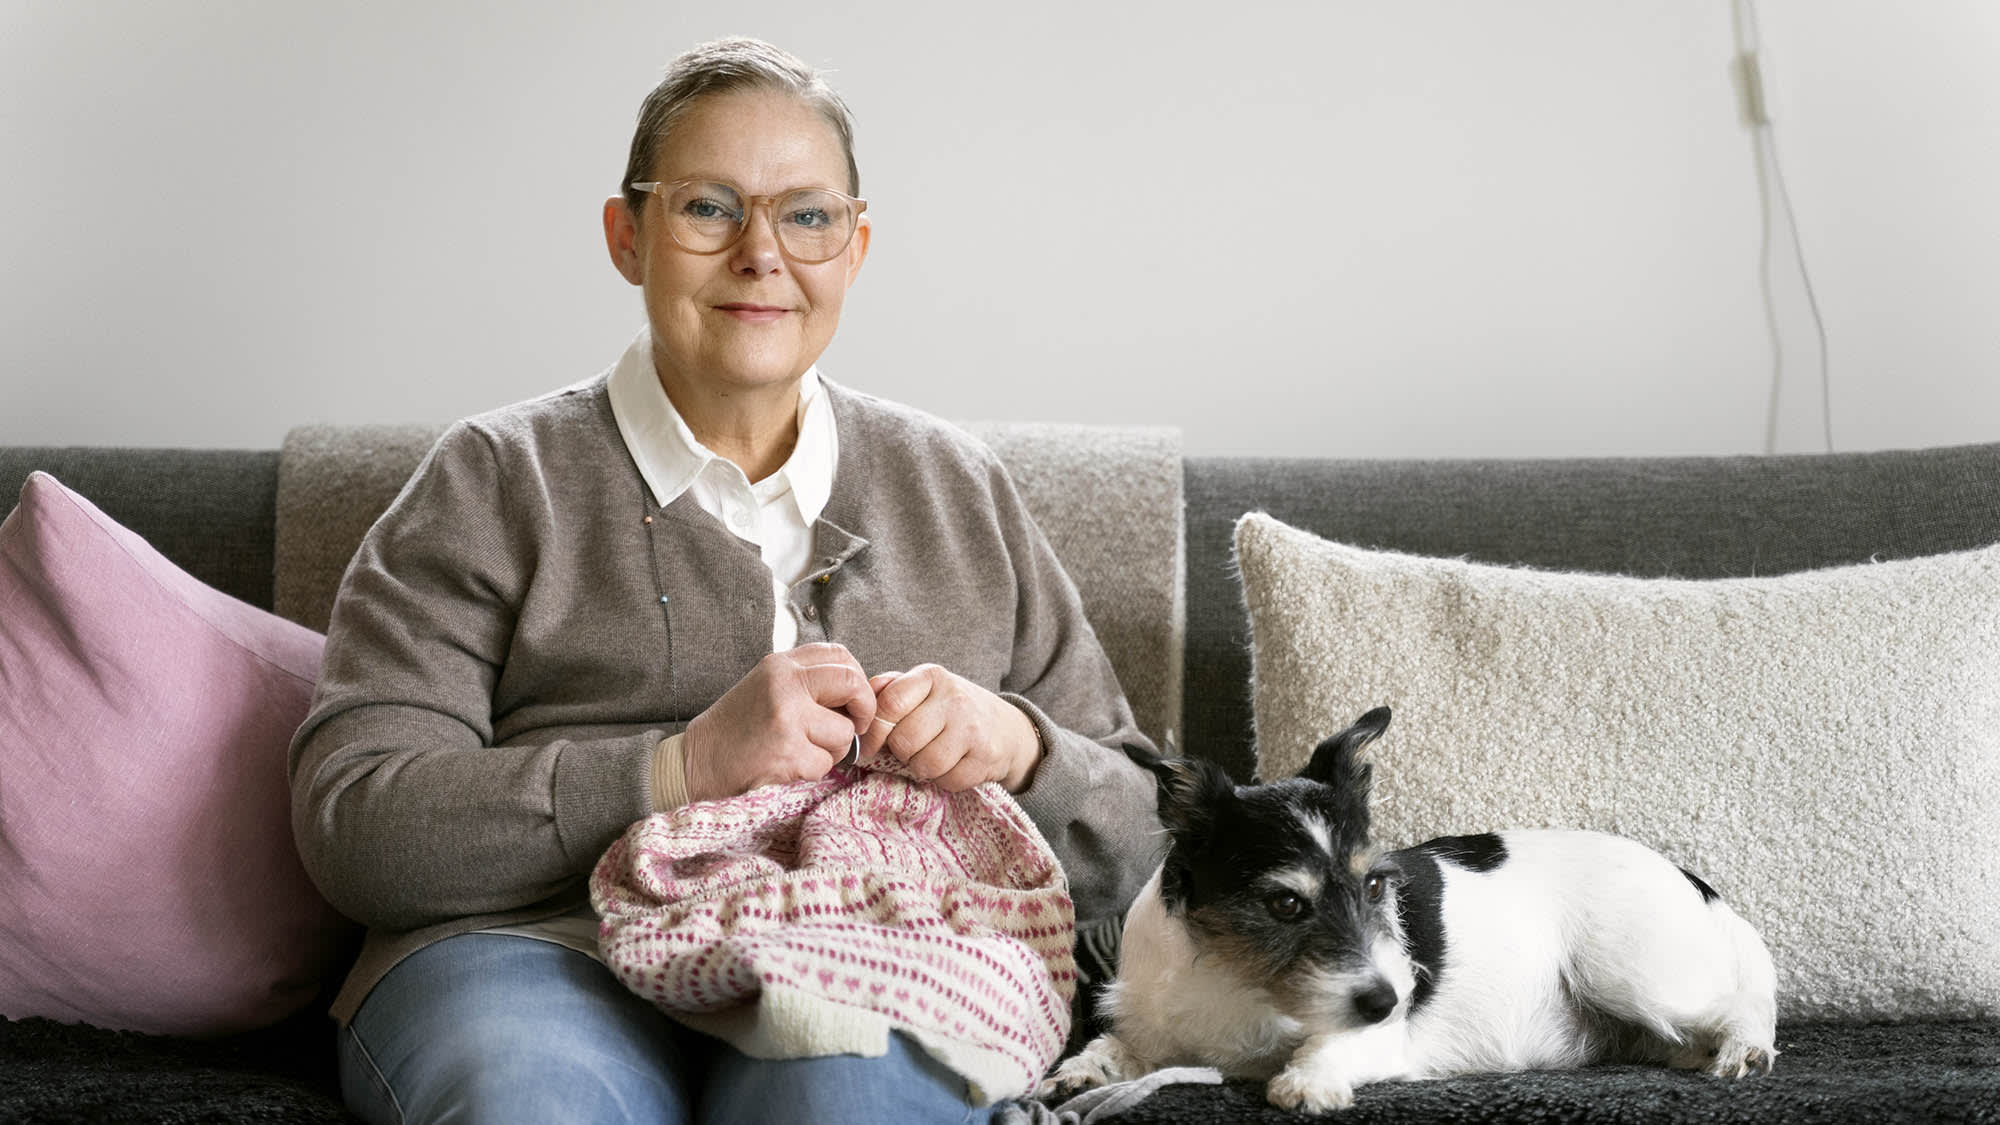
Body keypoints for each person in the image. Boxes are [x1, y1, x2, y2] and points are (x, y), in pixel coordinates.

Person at [289, 36, 1162, 1125]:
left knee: (853, 1106)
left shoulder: (957, 488)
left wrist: (1023, 750)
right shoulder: (492, 478)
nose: (762, 253)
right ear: (627, 236)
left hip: (882, 955)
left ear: (854, 247)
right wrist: (678, 767)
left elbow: (1147, 839)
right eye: (708, 208)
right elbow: (358, 825)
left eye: (806, 216)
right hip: (531, 951)